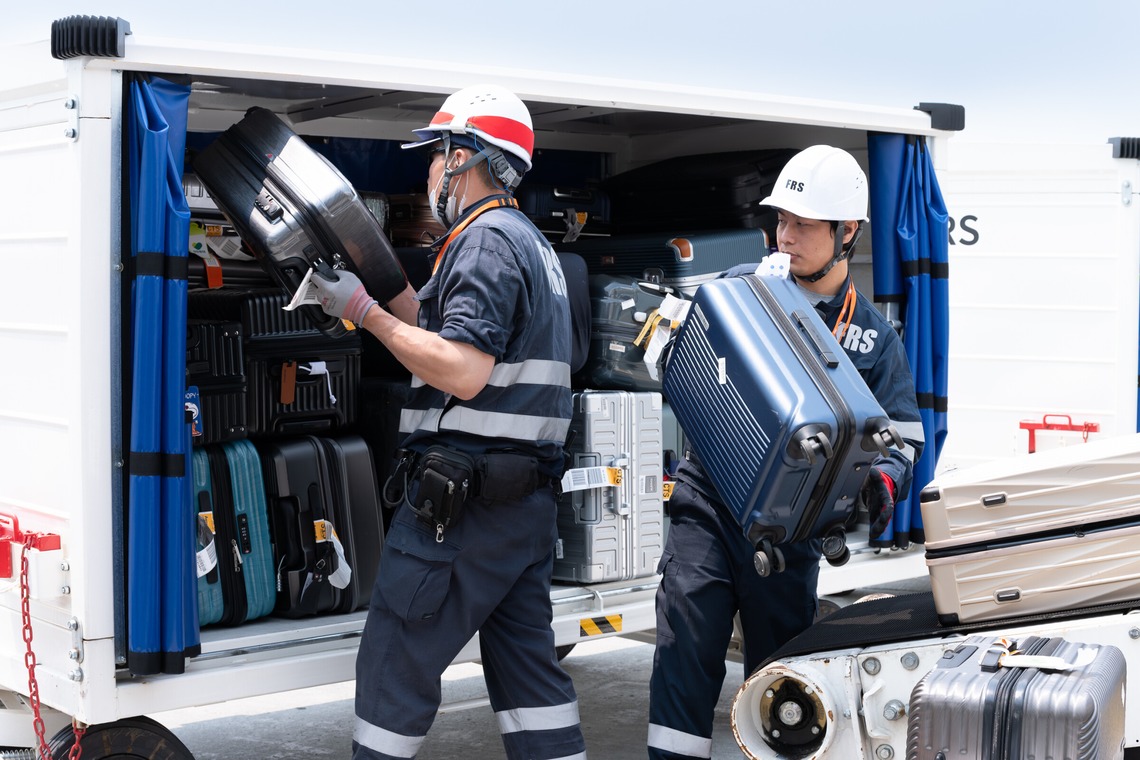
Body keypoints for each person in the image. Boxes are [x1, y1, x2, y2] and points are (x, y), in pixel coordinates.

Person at [308, 83, 587, 760]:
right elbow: (444, 334)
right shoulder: (527, 243)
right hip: (520, 513)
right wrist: (376, 292)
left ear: (466, 158)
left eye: (437, 155)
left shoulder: (486, 242)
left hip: (461, 512)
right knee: (529, 680)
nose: (430, 170)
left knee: (392, 666)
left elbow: (461, 369)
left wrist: (362, 315)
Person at [646, 145, 925, 759]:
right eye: (781, 220)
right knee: (684, 651)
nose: (786, 235)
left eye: (804, 224)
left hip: (790, 534)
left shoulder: (874, 339)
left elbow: (902, 439)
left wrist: (878, 485)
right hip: (708, 506)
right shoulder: (735, 293)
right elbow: (666, 357)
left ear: (846, 232)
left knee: (785, 685)